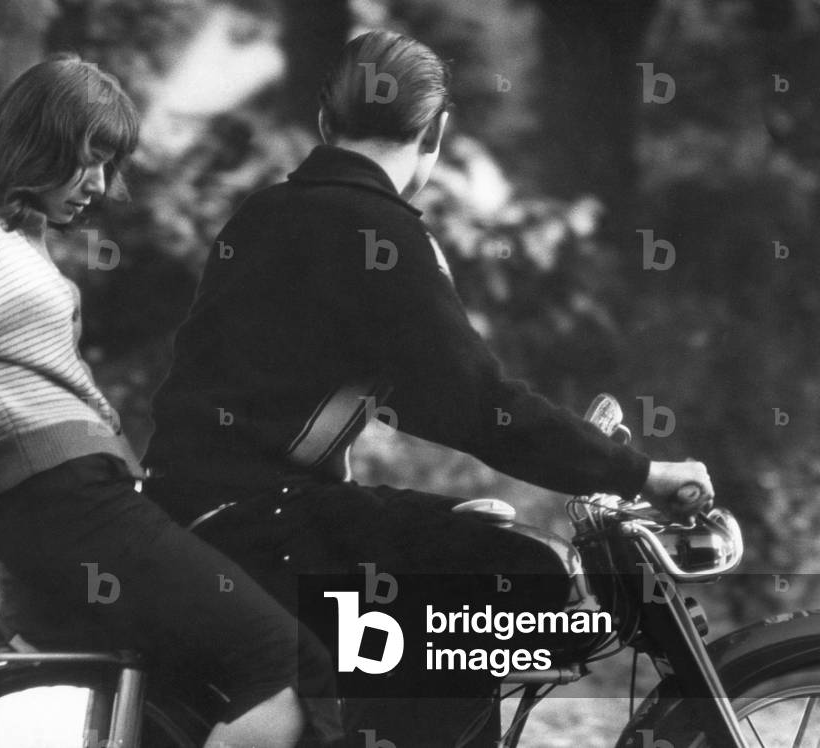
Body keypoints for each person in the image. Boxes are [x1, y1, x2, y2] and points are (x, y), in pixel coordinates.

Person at [140, 30, 715, 745]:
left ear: (325, 121)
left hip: (197, 511)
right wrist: (640, 472)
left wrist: (436, 502)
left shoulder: (265, 213)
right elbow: (478, 406)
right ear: (436, 131)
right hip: (260, 524)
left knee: (460, 554)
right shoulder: (379, 231)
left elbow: (407, 392)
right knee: (528, 576)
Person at [0, 54, 342, 748]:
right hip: (74, 515)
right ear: (38, 143)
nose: (99, 186)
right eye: (88, 161)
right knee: (283, 660)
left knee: (177, 681)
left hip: (65, 512)